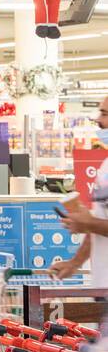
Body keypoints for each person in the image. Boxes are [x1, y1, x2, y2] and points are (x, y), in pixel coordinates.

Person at [53, 92, 108, 287]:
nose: (99, 120)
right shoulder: (105, 166)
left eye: (105, 114)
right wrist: (76, 262)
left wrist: (89, 223)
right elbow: (100, 218)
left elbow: (95, 223)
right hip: (102, 284)